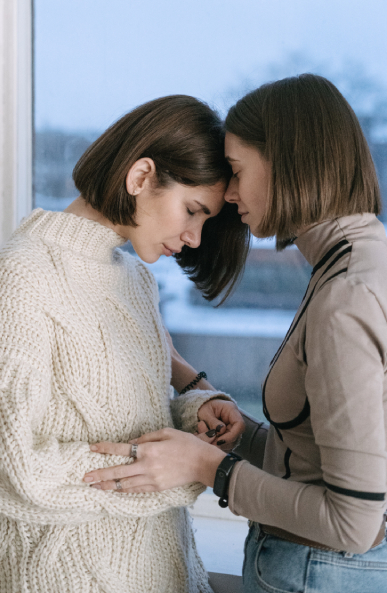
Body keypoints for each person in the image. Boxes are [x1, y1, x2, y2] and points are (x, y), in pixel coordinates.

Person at [86, 75, 387, 593]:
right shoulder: (356, 264)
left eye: (238, 171)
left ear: (288, 164)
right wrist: (241, 433)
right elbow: (320, 459)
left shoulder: (346, 295)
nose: (229, 193)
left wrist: (209, 467)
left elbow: (353, 522)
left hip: (316, 573)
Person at [0, 94, 249, 593]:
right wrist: (176, 468)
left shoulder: (133, 279)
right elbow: (3, 459)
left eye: (205, 221)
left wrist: (195, 412)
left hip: (163, 572)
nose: (194, 236)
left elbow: (121, 417)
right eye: (192, 211)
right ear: (141, 177)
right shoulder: (22, 272)